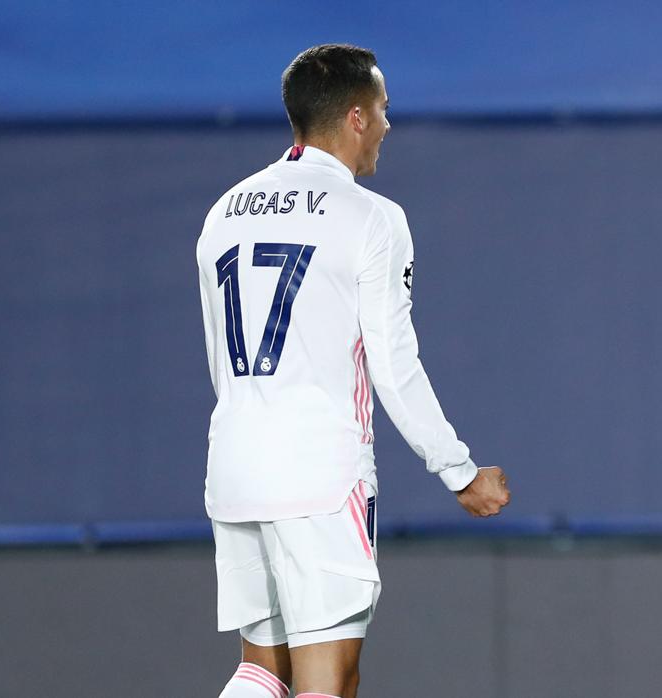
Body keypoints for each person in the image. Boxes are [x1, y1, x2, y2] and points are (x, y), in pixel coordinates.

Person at [196, 44, 511, 698]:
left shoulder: (222, 214)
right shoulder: (371, 218)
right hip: (318, 477)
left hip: (233, 466)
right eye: (384, 109)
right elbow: (393, 365)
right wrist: (458, 471)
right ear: (355, 116)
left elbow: (219, 361)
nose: (390, 125)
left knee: (261, 670)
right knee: (327, 678)